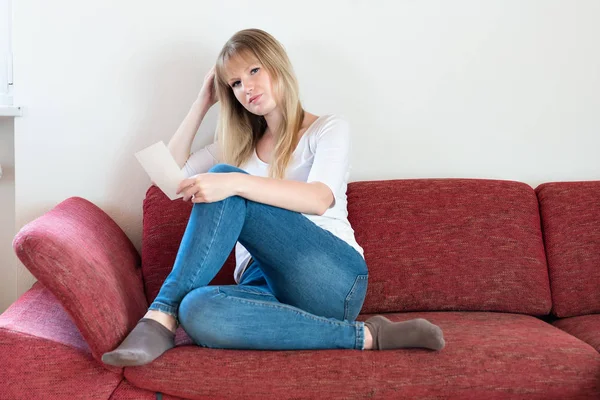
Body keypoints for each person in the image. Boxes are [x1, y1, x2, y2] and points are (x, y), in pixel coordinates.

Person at [102, 28, 445, 367]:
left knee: (224, 176)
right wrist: (201, 103)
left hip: (330, 277)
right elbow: (169, 181)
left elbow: (318, 199)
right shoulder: (235, 147)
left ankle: (159, 315)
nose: (246, 87)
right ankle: (370, 336)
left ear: (277, 66)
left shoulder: (327, 129)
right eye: (235, 83)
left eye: (254, 71)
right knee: (195, 309)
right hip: (261, 286)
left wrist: (235, 183)